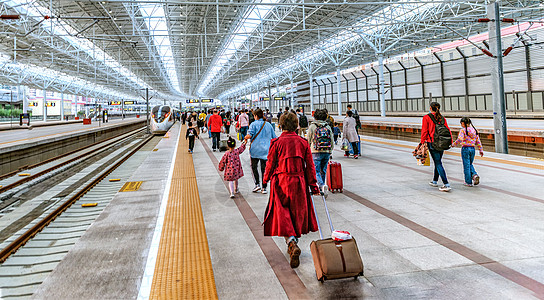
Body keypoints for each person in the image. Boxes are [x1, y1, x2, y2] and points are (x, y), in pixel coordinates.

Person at [262, 112, 321, 268]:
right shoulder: (303, 143)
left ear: (280, 126)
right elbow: (310, 166)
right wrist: (313, 185)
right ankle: (293, 241)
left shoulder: (276, 143)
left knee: (283, 215)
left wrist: (265, 179)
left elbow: (270, 163)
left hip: (280, 183)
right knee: (297, 214)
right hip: (299, 182)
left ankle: (291, 242)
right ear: (297, 125)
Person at [421, 102, 453, 192]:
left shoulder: (426, 117)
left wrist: (422, 142)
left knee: (438, 162)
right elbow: (448, 130)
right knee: (437, 161)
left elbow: (424, 131)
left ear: (430, 108)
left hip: (432, 143)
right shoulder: (442, 118)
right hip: (442, 143)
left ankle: (446, 184)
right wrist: (450, 141)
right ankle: (434, 181)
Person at [245, 108, 276, 194]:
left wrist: (245, 137)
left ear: (256, 116)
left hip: (255, 150)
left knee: (254, 167)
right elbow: (274, 138)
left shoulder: (253, 124)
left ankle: (257, 184)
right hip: (266, 151)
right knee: (264, 169)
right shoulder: (268, 125)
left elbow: (249, 135)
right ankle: (264, 188)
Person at [307, 109, 334, 195]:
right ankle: (321, 188)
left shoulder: (312, 126)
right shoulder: (328, 126)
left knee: (316, 170)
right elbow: (332, 140)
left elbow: (308, 140)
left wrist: (306, 151)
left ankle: (321, 185)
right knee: (323, 170)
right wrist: (330, 151)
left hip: (316, 151)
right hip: (326, 151)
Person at [452, 117, 483, 187]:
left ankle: (468, 181)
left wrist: (453, 144)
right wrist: (481, 150)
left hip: (465, 149)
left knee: (466, 165)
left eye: (461, 123)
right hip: (472, 149)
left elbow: (460, 139)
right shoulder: (474, 130)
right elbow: (478, 141)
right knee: (470, 164)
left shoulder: (463, 130)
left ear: (463, 123)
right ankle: (474, 175)